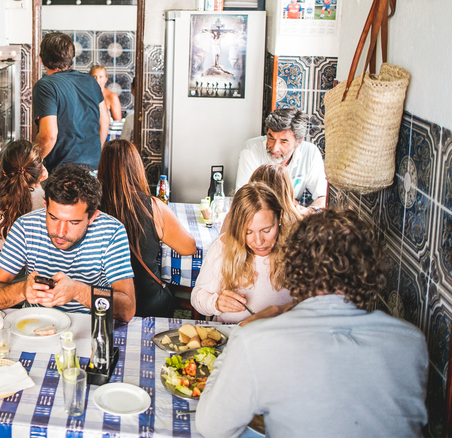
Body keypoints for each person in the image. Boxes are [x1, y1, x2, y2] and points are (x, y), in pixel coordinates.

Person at [196, 208, 428, 438]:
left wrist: (240, 336)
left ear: (295, 267)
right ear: (368, 270)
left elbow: (212, 428)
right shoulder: (412, 342)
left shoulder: (254, 342)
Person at [0, 164, 136, 321]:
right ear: (45, 205)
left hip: (91, 327)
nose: (60, 232)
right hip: (35, 324)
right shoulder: (25, 227)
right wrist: (22, 290)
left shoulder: (111, 232)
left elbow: (127, 309)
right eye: (53, 218)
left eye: (73, 222)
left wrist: (78, 291)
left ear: (92, 217)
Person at [97, 140, 196, 317]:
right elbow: (189, 248)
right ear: (137, 168)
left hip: (105, 304)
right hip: (150, 304)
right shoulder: (154, 207)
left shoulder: (90, 209)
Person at [191, 183, 292, 323]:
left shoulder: (296, 251)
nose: (258, 241)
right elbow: (197, 297)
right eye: (248, 232)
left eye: (267, 230)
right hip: (229, 336)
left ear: (280, 217)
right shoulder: (223, 246)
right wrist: (216, 303)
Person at [0, 140, 47, 305]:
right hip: (32, 298)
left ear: (4, 172)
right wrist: (40, 185)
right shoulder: (49, 207)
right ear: (40, 172)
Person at [33, 32, 108, 172]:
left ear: (41, 59)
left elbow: (48, 135)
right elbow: (104, 121)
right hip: (93, 168)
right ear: (72, 58)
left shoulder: (45, 86)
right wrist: (94, 154)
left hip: (63, 172)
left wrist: (33, 163)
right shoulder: (91, 81)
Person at [235, 107, 327, 213]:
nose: (274, 148)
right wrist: (290, 203)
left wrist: (309, 211)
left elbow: (323, 197)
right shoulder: (251, 149)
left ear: (298, 142)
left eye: (284, 141)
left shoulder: (310, 153)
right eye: (271, 138)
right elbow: (243, 198)